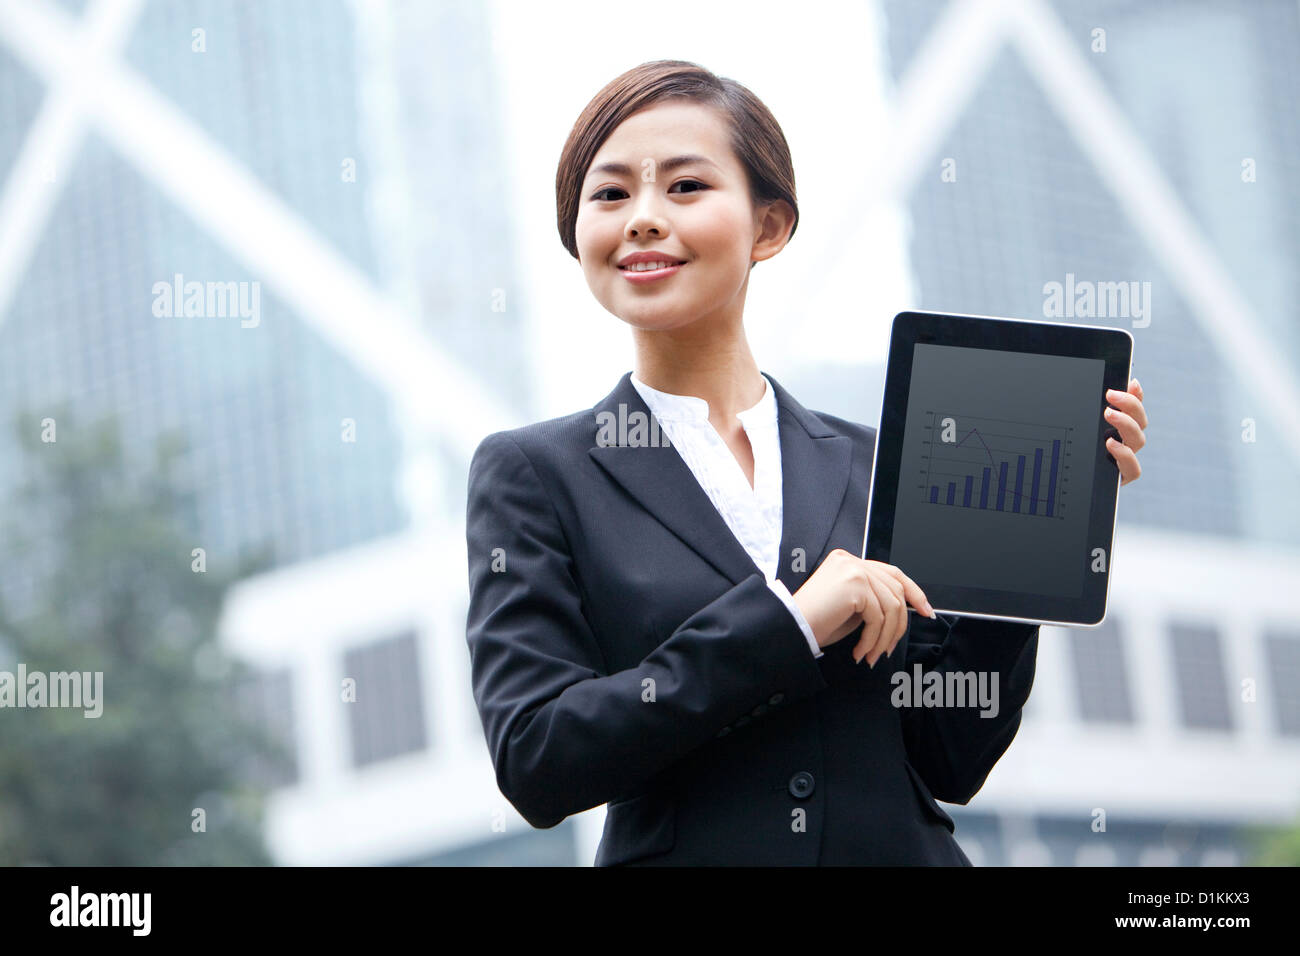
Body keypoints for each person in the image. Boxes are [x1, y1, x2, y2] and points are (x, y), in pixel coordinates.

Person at [464, 59, 1148, 865]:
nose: (643, 218)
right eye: (610, 194)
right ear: (578, 237)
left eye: (685, 186)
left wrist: (1030, 538)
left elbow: (950, 755)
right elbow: (537, 757)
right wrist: (789, 624)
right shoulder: (535, 475)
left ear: (770, 226)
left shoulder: (881, 461)